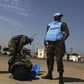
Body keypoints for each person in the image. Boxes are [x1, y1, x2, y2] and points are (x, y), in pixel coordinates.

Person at [42, 13, 69, 84]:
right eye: (58, 16)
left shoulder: (62, 24)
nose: (60, 17)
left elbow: (67, 33)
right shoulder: (49, 25)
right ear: (54, 17)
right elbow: (47, 33)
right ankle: (49, 74)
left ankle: (61, 77)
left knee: (59, 60)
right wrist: (45, 41)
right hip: (50, 44)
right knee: (49, 59)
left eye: (60, 16)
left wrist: (62, 40)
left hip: (59, 44)